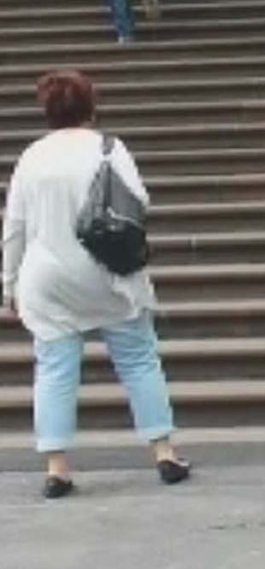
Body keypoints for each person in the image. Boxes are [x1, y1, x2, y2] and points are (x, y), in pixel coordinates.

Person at [1, 70, 189, 499]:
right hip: (107, 271)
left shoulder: (32, 156)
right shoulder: (109, 148)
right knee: (138, 358)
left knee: (54, 368)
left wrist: (7, 285)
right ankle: (163, 452)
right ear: (91, 107)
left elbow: (14, 227)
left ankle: (57, 466)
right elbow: (138, 201)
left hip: (47, 275)